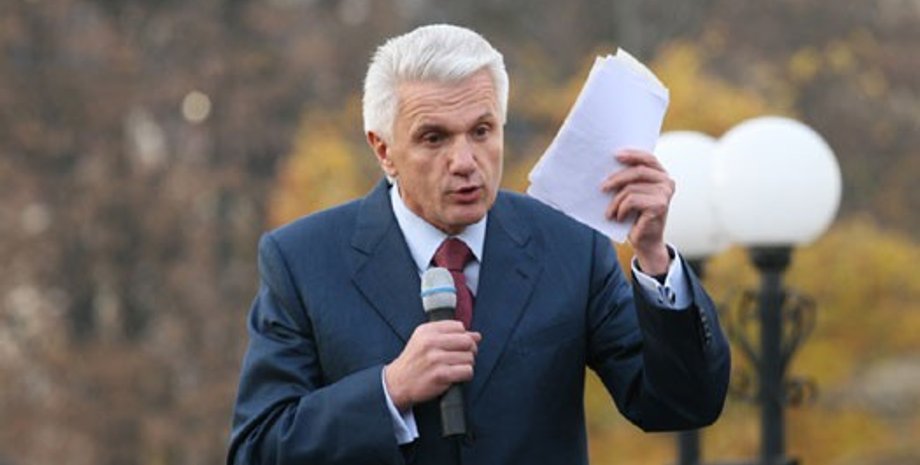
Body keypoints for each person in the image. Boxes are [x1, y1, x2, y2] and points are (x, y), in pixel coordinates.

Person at [227, 24, 730, 465]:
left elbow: (682, 403)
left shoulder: (572, 245)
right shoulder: (301, 261)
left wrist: (654, 258)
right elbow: (257, 448)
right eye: (434, 138)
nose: (466, 161)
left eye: (482, 131)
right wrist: (389, 391)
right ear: (383, 149)